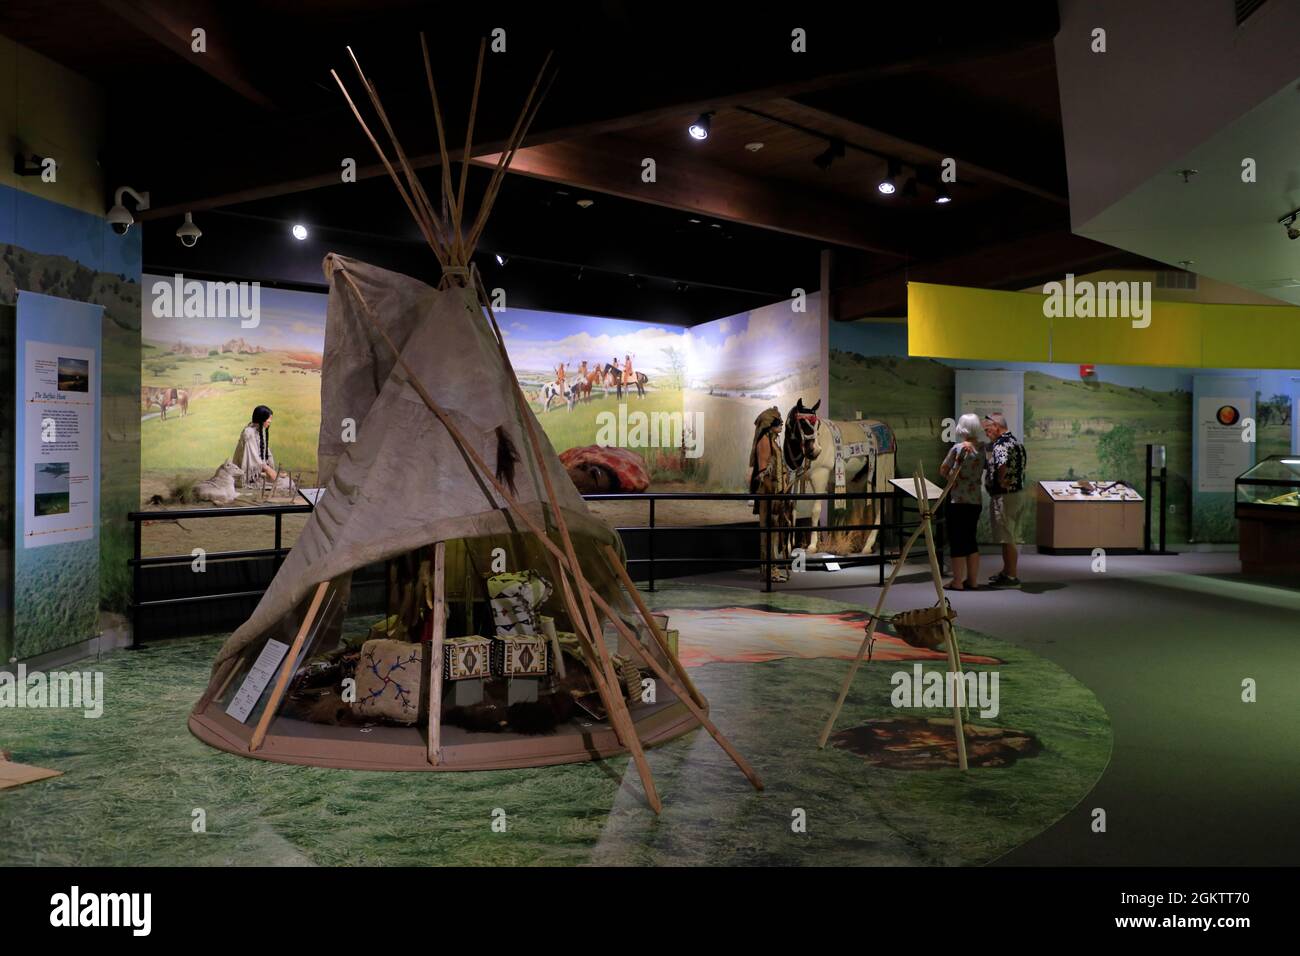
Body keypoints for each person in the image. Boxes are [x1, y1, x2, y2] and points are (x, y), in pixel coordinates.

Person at [939, 413, 986, 590]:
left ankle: (957, 581)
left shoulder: (959, 448)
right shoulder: (982, 449)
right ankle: (973, 580)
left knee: (957, 540)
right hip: (975, 501)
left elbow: (943, 470)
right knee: (970, 540)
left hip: (957, 500)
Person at [982, 412, 1028, 587]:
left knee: (1007, 537)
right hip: (1017, 495)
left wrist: (1001, 481)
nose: (987, 433)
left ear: (996, 426)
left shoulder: (1000, 445)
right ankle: (1006, 571)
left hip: (1005, 496)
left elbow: (1002, 465)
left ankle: (1011, 576)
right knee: (1009, 535)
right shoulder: (1017, 443)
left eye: (988, 429)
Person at [749, 407, 790, 584]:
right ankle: (768, 571)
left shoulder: (773, 441)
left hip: (776, 493)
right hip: (768, 494)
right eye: (777, 422)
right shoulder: (764, 442)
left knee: (774, 533)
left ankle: (773, 569)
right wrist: (772, 497)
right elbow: (763, 473)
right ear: (768, 425)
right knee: (768, 532)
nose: (780, 425)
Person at [233, 405, 277, 486]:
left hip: (259, 470)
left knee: (284, 481)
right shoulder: (249, 432)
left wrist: (270, 469)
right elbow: (252, 457)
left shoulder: (259, 431)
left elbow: (265, 453)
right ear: (261, 418)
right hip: (248, 474)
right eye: (269, 419)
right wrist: (268, 470)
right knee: (283, 483)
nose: (270, 421)